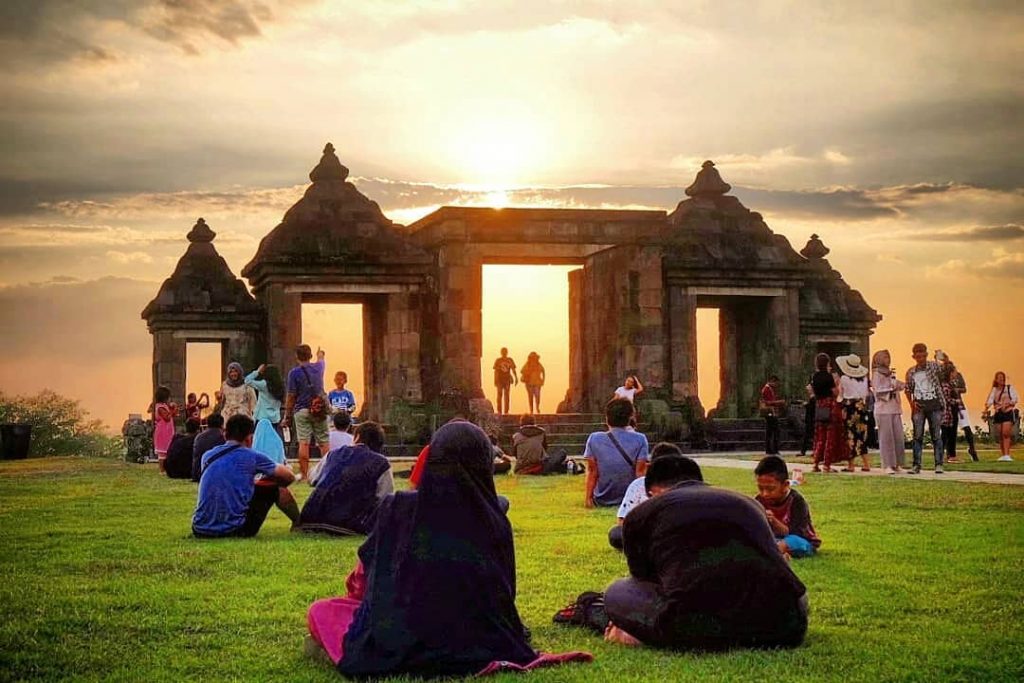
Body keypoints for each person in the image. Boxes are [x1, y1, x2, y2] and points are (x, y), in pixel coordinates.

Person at [305, 421, 590, 677]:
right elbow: (504, 594)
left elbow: (360, 582)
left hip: (400, 635)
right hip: (473, 636)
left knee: (322, 610)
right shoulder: (493, 520)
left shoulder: (398, 508)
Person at [602, 456, 808, 651]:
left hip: (696, 628)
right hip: (784, 625)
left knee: (616, 591)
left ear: (652, 493)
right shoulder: (750, 504)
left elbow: (644, 581)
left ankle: (637, 633)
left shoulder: (643, 513)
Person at [191, 414, 299, 538]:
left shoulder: (208, 456)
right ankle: (298, 522)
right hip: (235, 529)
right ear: (249, 438)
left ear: (225, 434)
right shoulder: (252, 456)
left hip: (200, 529)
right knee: (277, 488)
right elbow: (289, 476)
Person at [298, 422, 393, 536]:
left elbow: (312, 478)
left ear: (357, 437)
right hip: (350, 524)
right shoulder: (381, 463)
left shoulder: (332, 455)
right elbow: (385, 498)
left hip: (311, 519)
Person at [608, 443, 692, 550]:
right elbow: (623, 520)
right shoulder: (638, 485)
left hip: (675, 532)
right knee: (616, 534)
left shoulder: (686, 485)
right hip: (646, 533)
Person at [584, 398, 649, 508]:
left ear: (607, 418)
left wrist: (588, 499)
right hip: (630, 498)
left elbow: (592, 471)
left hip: (602, 499)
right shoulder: (640, 439)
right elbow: (640, 473)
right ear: (630, 418)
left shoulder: (594, 438)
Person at [754, 455, 821, 559]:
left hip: (800, 541)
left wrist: (774, 522)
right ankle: (777, 553)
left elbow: (796, 533)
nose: (765, 494)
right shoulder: (759, 500)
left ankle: (775, 554)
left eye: (770, 489)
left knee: (789, 542)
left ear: (785, 485)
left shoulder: (796, 501)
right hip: (774, 540)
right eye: (760, 488)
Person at [284, 344, 329, 481]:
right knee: (324, 442)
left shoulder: (294, 373)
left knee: (304, 443)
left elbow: (291, 396)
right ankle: (327, 473)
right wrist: (320, 354)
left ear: (297, 357)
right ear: (310, 356)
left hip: (302, 409)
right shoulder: (319, 367)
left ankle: (304, 475)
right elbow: (321, 359)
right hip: (319, 409)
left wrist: (287, 415)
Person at [904, 343, 946, 474]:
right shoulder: (911, 372)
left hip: (934, 404)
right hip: (919, 406)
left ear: (926, 355)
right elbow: (908, 389)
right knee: (917, 436)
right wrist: (912, 404)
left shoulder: (933, 366)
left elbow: (945, 369)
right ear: (914, 356)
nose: (920, 359)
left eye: (922, 356)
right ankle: (916, 465)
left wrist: (943, 358)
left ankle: (939, 464)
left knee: (936, 436)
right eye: (918, 356)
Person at [871, 350, 906, 474]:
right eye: (886, 357)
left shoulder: (890, 373)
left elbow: (895, 384)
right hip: (883, 410)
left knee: (898, 437)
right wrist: (892, 388)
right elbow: (878, 391)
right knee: (886, 438)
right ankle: (887, 465)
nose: (888, 359)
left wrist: (901, 385)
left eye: (889, 357)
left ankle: (897, 463)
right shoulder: (876, 374)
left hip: (894, 408)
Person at [810, 353, 846, 473]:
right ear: (827, 363)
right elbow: (835, 392)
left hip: (819, 406)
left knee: (820, 437)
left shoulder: (814, 376)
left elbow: (814, 391)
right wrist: (837, 384)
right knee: (830, 438)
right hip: (830, 406)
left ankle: (815, 463)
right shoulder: (828, 377)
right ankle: (826, 464)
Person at [837, 354, 871, 472]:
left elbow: (840, 395)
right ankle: (866, 464)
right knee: (862, 436)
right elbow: (866, 394)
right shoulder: (865, 378)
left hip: (850, 406)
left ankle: (851, 465)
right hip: (861, 407)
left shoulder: (844, 378)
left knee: (850, 436)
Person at [935, 353, 963, 463]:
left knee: (947, 434)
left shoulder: (948, 384)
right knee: (946, 434)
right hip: (946, 413)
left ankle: (947, 455)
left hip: (948, 412)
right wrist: (956, 401)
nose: (955, 373)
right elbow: (945, 399)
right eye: (954, 372)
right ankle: (947, 455)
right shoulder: (946, 385)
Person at [985, 372, 1018, 462]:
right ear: (996, 379)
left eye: (1002, 377)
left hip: (1008, 412)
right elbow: (990, 400)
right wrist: (986, 408)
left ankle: (1007, 454)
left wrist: (1007, 404)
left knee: (1006, 433)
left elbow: (1015, 399)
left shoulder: (1009, 388)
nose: (1001, 379)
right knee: (1000, 435)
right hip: (998, 413)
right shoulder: (994, 390)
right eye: (999, 378)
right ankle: (1003, 455)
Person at [244, 364, 284, 434]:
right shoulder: (280, 386)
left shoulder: (263, 385)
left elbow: (247, 380)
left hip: (262, 417)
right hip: (274, 418)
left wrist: (258, 371)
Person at [950, 366, 979, 461]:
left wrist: (957, 390)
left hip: (959, 405)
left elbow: (964, 389)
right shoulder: (943, 377)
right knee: (950, 430)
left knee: (966, 427)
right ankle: (950, 453)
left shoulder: (958, 376)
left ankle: (972, 449)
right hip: (948, 406)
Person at [191, 413, 225, 482]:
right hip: (212, 473)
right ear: (222, 425)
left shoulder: (199, 437)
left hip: (198, 473)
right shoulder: (222, 437)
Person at [151, 386, 177, 473]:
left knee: (167, 450)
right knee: (162, 452)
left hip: (167, 431)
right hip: (163, 432)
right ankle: (162, 470)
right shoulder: (160, 407)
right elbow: (167, 417)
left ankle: (167, 468)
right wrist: (174, 410)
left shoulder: (164, 406)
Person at [759, 375, 786, 455]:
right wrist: (779, 402)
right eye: (776, 383)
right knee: (773, 431)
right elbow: (767, 402)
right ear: (772, 381)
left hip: (772, 412)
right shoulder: (766, 389)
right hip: (769, 412)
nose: (777, 385)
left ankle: (771, 449)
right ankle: (772, 449)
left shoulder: (769, 389)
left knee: (771, 431)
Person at [492, 348, 518, 415]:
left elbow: (513, 369)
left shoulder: (509, 360)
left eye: (505, 352)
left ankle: (506, 411)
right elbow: (496, 371)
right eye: (503, 352)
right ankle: (499, 411)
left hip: (507, 380)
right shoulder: (498, 360)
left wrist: (516, 378)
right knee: (499, 395)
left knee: (507, 396)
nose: (504, 353)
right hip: (500, 380)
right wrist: (495, 380)